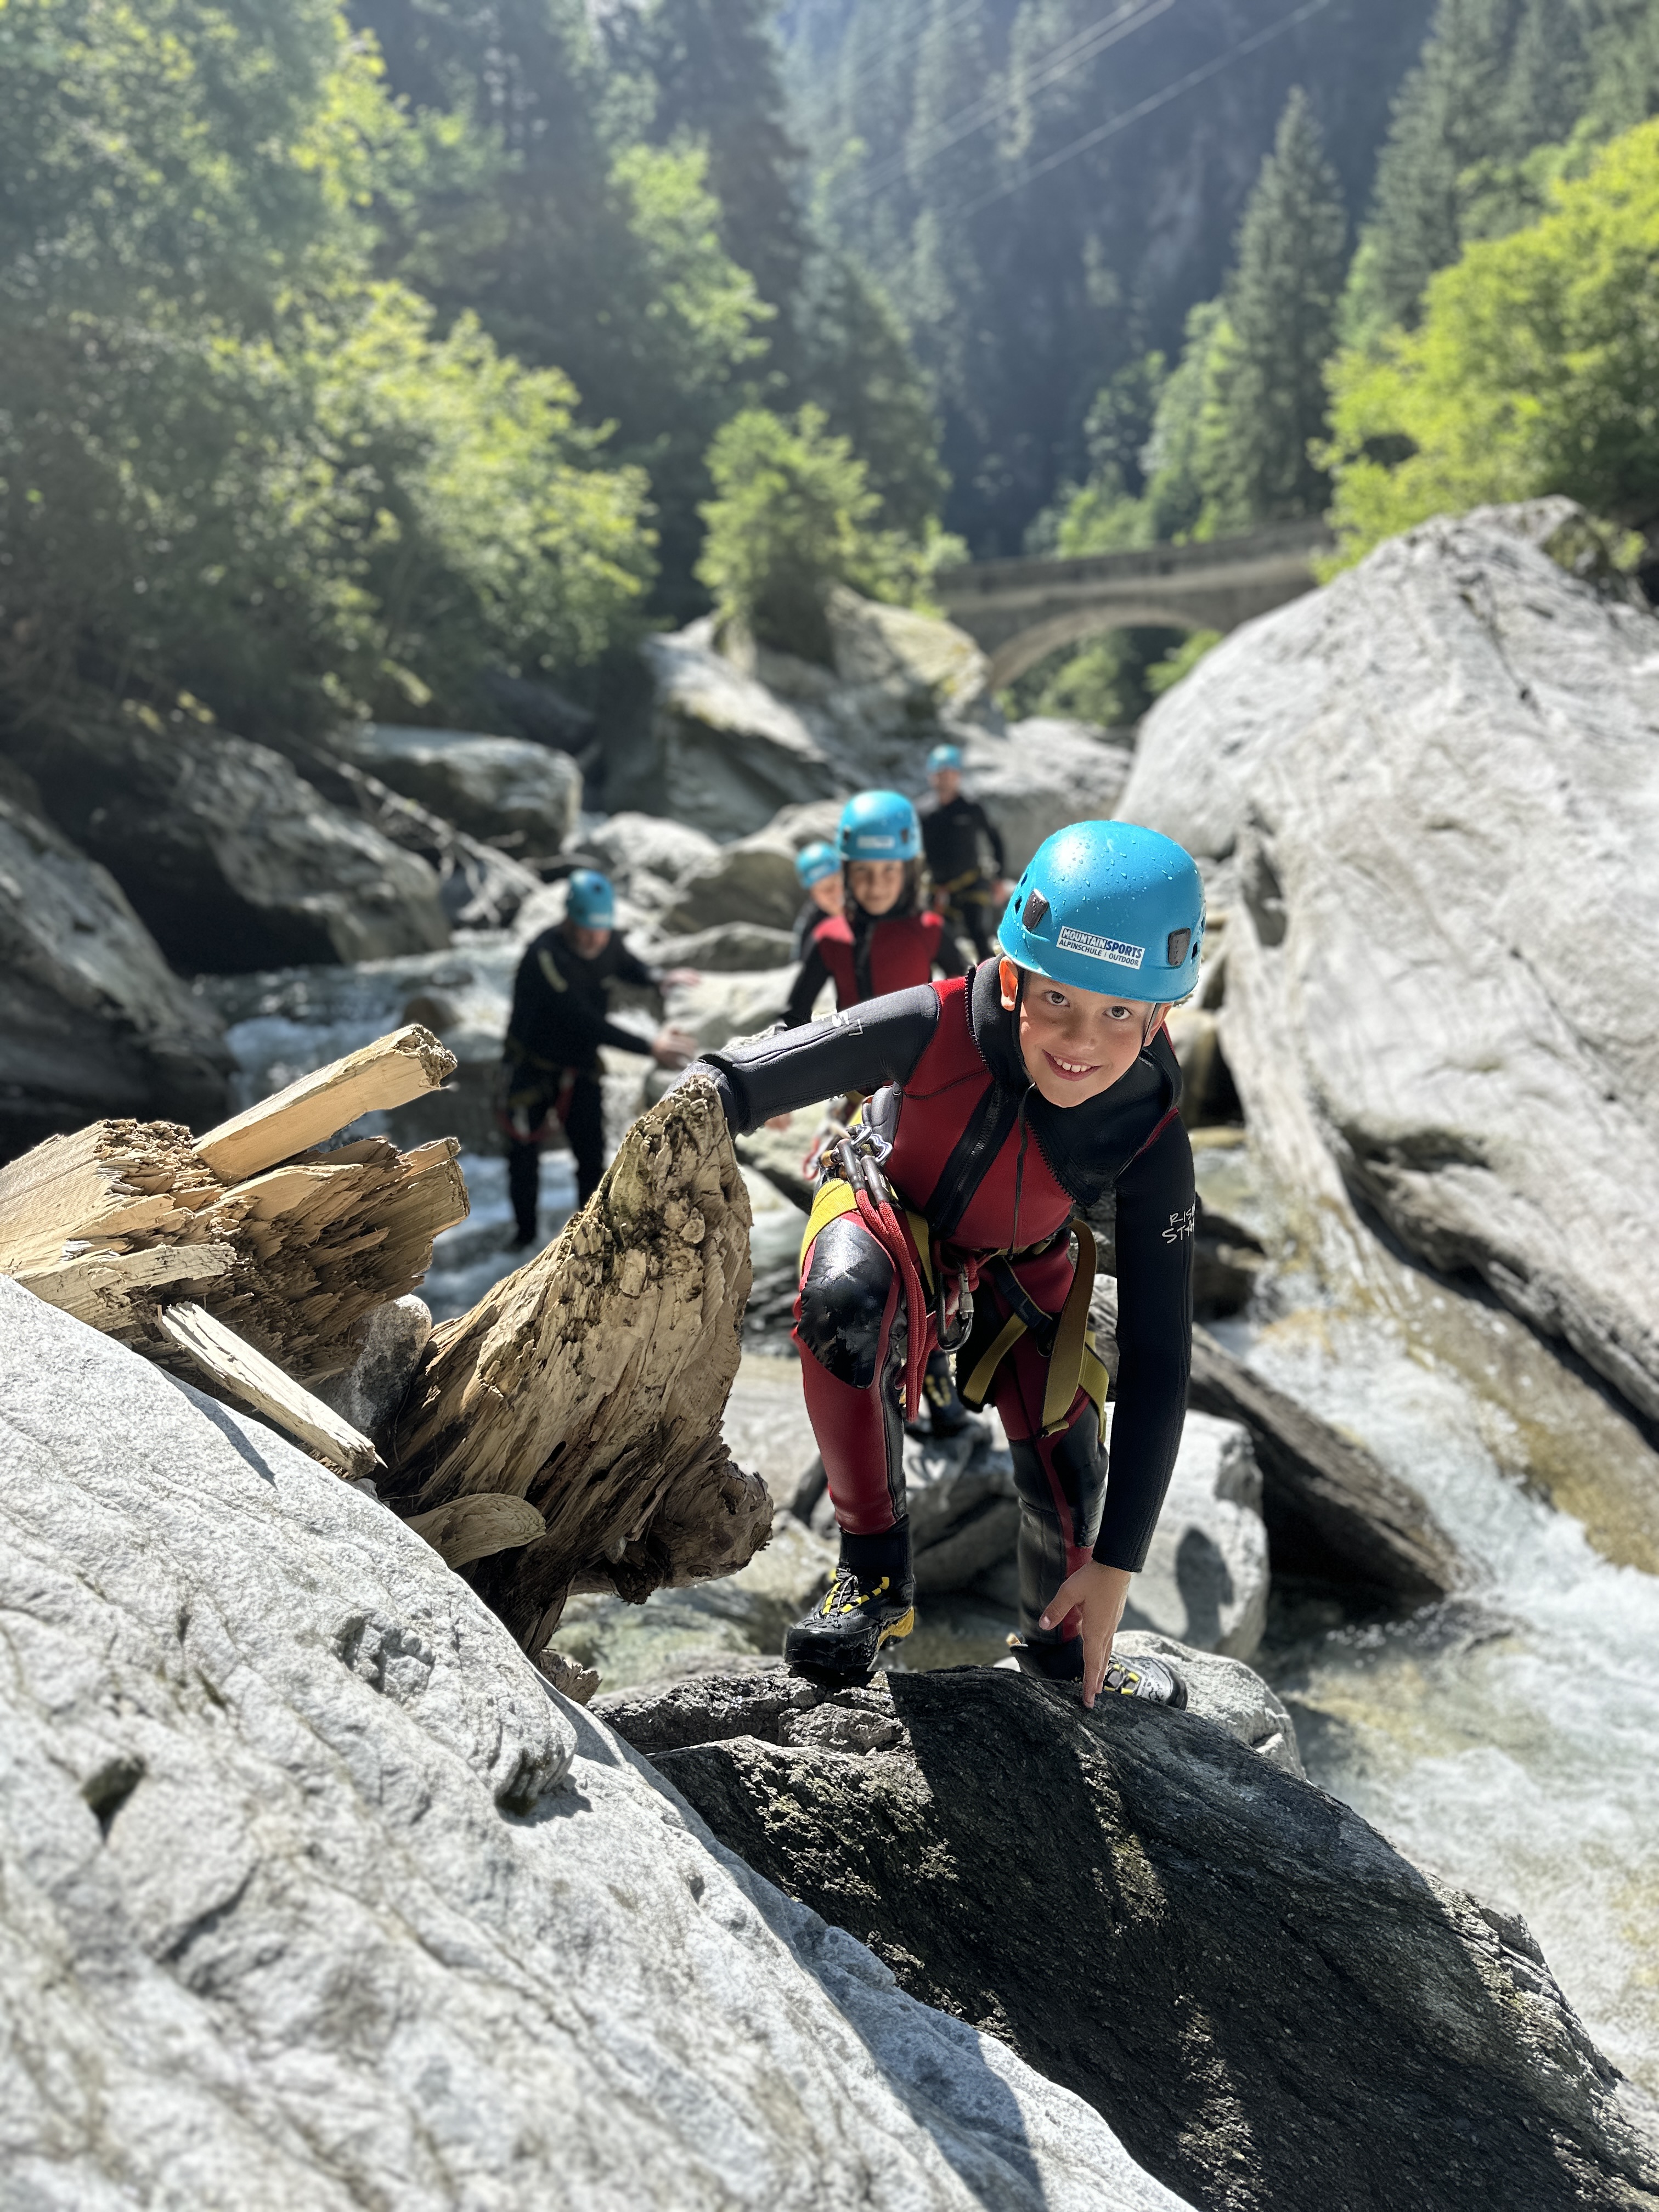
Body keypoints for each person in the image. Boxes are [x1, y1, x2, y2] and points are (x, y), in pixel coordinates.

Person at [693, 820, 1201, 1710]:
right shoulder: (936, 1020)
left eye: (1119, 1011)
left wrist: (1116, 1569)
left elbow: (1161, 1359)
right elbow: (749, 1074)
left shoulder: (1151, 1127)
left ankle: (1061, 1637)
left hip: (1024, 1259)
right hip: (888, 1206)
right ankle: (874, 1580)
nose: (1081, 1039)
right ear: (1011, 976)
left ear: (1160, 1015)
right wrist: (689, 1108)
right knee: (840, 1302)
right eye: (1056, 998)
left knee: (1068, 1443)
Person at [500, 868, 696, 1246]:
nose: (594, 939)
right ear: (569, 920)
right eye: (586, 930)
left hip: (580, 1066)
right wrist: (650, 1047)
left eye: (601, 930)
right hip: (532, 1067)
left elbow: (626, 963)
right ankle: (524, 1237)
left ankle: (590, 1238)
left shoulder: (606, 941)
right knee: (524, 1159)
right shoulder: (546, 957)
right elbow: (585, 1022)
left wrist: (657, 977)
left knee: (590, 1157)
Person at [783, 790, 966, 1028]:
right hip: (858, 1061)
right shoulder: (830, 938)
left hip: (914, 1060)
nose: (876, 886)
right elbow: (793, 1019)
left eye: (889, 869)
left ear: (908, 872)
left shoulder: (931, 930)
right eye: (862, 870)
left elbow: (967, 1004)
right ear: (847, 873)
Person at [919, 741, 1008, 962]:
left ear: (958, 775)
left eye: (950, 773)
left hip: (970, 883)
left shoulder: (971, 808)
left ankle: (991, 989)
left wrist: (998, 879)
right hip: (939, 887)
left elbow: (995, 840)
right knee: (938, 943)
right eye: (940, 773)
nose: (945, 778)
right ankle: (941, 990)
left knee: (978, 934)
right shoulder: (923, 811)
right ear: (932, 776)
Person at [791, 839, 844, 958]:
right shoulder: (810, 926)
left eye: (835, 883)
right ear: (813, 895)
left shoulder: (868, 901)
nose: (832, 893)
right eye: (823, 889)